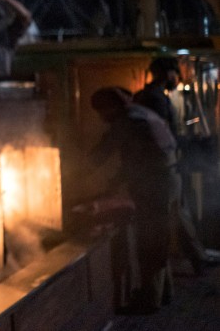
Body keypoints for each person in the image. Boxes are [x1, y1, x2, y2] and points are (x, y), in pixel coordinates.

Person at [89, 87, 178, 313]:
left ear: (110, 107)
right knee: (159, 237)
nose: (101, 117)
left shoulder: (126, 122)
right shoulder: (140, 113)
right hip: (168, 178)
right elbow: (137, 158)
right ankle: (163, 292)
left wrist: (73, 172)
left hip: (155, 185)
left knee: (150, 240)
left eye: (101, 111)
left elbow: (102, 153)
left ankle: (149, 301)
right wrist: (117, 181)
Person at [132, 56, 216, 275]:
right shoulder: (155, 99)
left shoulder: (154, 96)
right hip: (159, 169)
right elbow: (163, 136)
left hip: (161, 167)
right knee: (172, 215)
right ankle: (169, 267)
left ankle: (198, 257)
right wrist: (193, 143)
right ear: (165, 73)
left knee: (179, 213)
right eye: (175, 73)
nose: (177, 78)